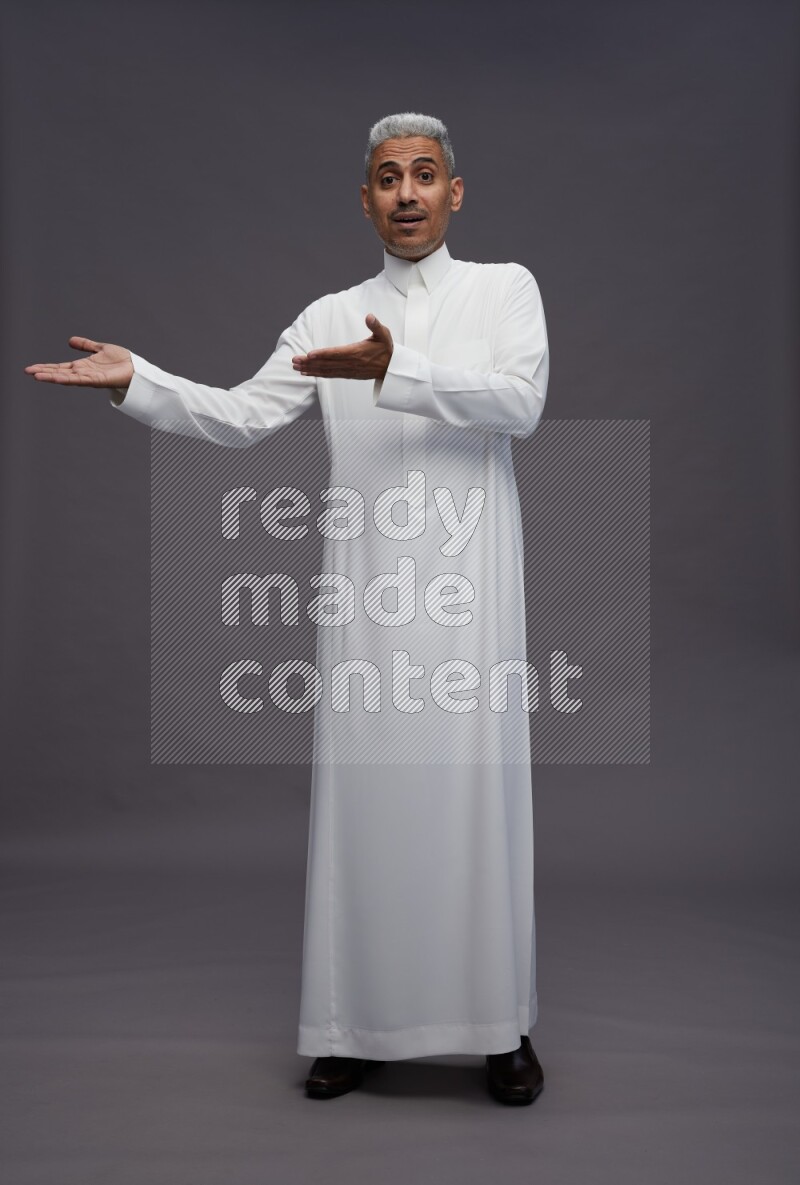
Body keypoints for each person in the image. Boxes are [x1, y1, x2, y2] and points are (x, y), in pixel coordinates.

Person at [25, 112, 550, 1106]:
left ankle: (498, 1029)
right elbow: (238, 416)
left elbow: (517, 402)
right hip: (364, 600)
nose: (405, 193)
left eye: (423, 175)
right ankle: (353, 1028)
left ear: (454, 192)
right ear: (364, 199)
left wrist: (394, 373)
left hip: (470, 600)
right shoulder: (326, 316)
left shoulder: (504, 289)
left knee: (474, 810)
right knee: (366, 811)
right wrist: (138, 380)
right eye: (387, 177)